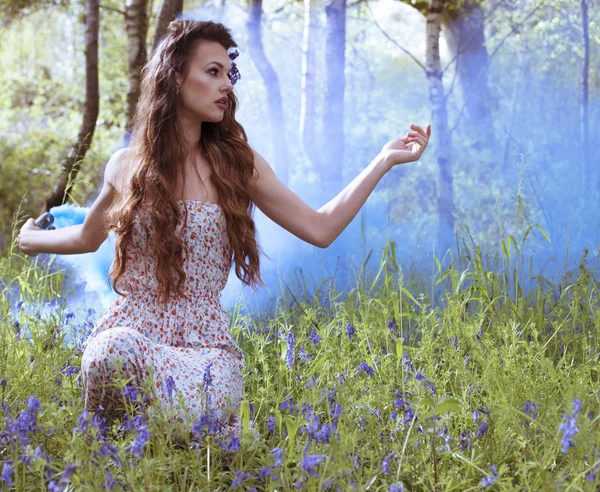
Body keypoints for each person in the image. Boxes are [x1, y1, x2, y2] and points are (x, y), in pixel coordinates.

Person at [17, 19, 431, 444]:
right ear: (175, 78)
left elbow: (320, 227)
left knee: (205, 435)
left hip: (204, 350)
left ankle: (204, 439)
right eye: (212, 72)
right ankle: (141, 452)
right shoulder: (126, 166)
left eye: (227, 75)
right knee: (112, 352)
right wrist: (31, 239)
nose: (226, 85)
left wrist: (382, 161)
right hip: (133, 332)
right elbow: (87, 237)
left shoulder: (236, 164)